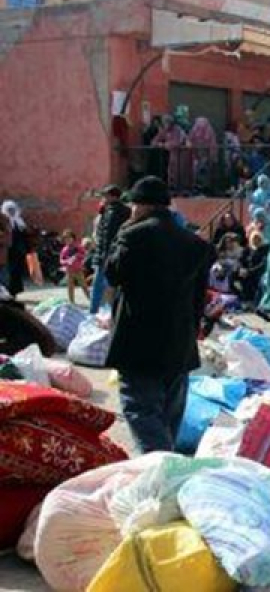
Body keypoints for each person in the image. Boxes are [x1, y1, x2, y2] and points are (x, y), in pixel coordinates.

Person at [105, 176, 212, 453]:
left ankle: (162, 470)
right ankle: (166, 465)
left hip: (138, 343)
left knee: (141, 411)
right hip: (179, 343)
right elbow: (199, 299)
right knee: (168, 416)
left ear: (140, 206)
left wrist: (122, 232)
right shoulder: (194, 243)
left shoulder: (132, 235)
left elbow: (112, 274)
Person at [91, 185, 131, 313]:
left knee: (101, 284)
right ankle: (109, 310)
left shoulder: (112, 212)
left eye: (105, 195)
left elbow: (107, 236)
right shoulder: (121, 211)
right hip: (113, 253)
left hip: (106, 254)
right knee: (109, 284)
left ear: (113, 196)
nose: (103, 198)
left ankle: (96, 310)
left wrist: (104, 256)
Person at [0, 201, 28, 299]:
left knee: (16, 273)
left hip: (17, 252)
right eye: (9, 209)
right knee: (7, 274)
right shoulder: (3, 221)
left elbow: (23, 235)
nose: (11, 211)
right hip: (6, 252)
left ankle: (14, 293)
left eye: (12, 209)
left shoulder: (18, 221)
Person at [153, 115, 188, 190]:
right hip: (171, 155)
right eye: (164, 123)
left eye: (166, 122)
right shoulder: (164, 130)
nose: (165, 124)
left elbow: (178, 143)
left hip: (181, 154)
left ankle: (181, 189)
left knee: (180, 172)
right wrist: (160, 144)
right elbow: (154, 141)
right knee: (171, 172)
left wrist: (167, 145)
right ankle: (171, 188)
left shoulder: (178, 130)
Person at [234, 231, 268, 307]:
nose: (256, 241)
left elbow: (263, 264)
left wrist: (249, 271)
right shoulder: (248, 249)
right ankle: (244, 300)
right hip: (247, 271)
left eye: (258, 239)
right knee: (234, 277)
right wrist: (241, 269)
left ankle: (253, 302)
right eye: (254, 239)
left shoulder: (265, 249)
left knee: (252, 279)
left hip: (259, 271)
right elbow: (240, 260)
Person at [187, 117, 218, 193]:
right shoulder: (194, 129)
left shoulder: (210, 131)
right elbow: (189, 139)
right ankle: (196, 188)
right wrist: (189, 145)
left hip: (206, 155)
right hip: (196, 155)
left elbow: (212, 145)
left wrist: (212, 157)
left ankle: (206, 188)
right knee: (195, 171)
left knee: (206, 172)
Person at [59, 230, 90, 304]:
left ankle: (90, 299)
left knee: (83, 285)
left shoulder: (78, 247)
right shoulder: (64, 249)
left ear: (73, 238)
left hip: (78, 270)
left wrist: (78, 256)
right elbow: (61, 260)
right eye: (66, 239)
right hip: (69, 270)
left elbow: (85, 255)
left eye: (69, 238)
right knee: (70, 287)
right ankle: (71, 302)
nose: (68, 240)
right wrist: (66, 262)